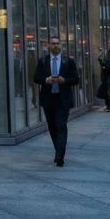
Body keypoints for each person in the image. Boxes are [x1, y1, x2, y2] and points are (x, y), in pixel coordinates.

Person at [33, 36, 79, 166]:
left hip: (63, 99)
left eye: (58, 43)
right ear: (48, 46)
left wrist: (64, 80)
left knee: (61, 125)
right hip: (48, 98)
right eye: (53, 43)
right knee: (52, 126)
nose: (55, 46)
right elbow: (36, 78)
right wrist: (45, 80)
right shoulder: (43, 61)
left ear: (61, 45)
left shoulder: (68, 61)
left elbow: (75, 79)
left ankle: (60, 155)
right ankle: (58, 150)